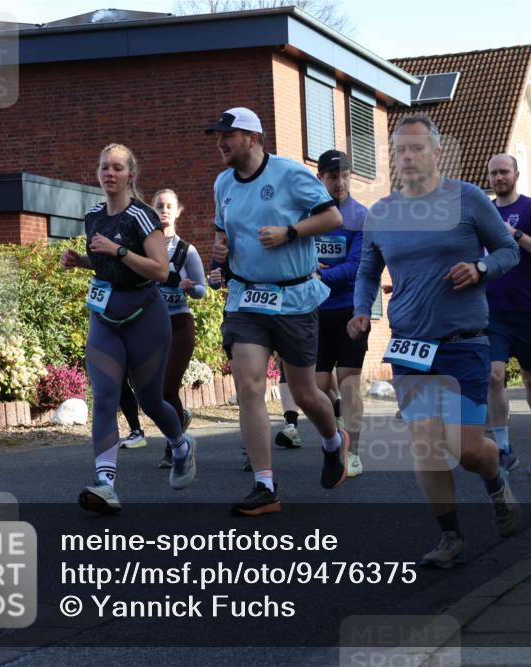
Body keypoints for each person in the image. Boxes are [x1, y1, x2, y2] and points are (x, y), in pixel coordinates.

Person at [348, 113, 521, 568]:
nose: (406, 156)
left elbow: (509, 249)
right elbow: (367, 270)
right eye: (400, 150)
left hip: (464, 342)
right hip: (409, 344)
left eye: (416, 148)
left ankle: (496, 475)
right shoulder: (381, 213)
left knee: (464, 449)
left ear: (437, 153)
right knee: (426, 444)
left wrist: (480, 268)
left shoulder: (466, 199)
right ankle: (451, 537)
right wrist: (361, 310)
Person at [207, 107, 348, 516]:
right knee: (248, 387)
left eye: (227, 136)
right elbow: (223, 230)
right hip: (247, 298)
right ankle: (264, 485)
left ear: (252, 138)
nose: (220, 142)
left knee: (305, 393)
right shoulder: (222, 183)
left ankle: (333, 440)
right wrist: (221, 250)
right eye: (217, 135)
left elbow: (332, 216)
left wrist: (291, 232)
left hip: (293, 297)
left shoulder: (289, 174)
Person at [61, 143, 196, 514]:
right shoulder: (92, 216)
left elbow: (161, 271)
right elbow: (106, 264)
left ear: (130, 175)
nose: (110, 173)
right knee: (105, 396)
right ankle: (105, 484)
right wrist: (83, 260)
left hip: (145, 317)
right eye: (104, 167)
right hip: (105, 316)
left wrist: (118, 251)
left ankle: (181, 446)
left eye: (117, 168)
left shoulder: (142, 216)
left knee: (151, 400)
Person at [111, 189, 207, 465]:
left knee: (166, 388)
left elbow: (203, 290)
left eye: (169, 206)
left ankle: (174, 446)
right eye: (159, 206)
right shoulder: (142, 249)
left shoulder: (187, 251)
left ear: (178, 212)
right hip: (148, 324)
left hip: (178, 324)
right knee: (150, 392)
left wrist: (191, 288)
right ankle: (179, 419)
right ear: (151, 211)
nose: (164, 210)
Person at [484, 153, 531, 474]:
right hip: (492, 311)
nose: (499, 178)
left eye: (504, 172)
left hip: (528, 309)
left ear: (516, 174)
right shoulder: (482, 212)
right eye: (494, 173)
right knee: (493, 376)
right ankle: (502, 447)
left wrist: (514, 234)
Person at [306, 150, 369, 477]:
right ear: (321, 179)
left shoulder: (361, 215)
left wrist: (320, 275)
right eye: (333, 177)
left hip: (349, 309)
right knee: (317, 386)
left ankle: (354, 453)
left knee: (348, 384)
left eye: (345, 176)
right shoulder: (308, 213)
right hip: (315, 311)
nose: (340, 182)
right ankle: (339, 426)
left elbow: (357, 266)